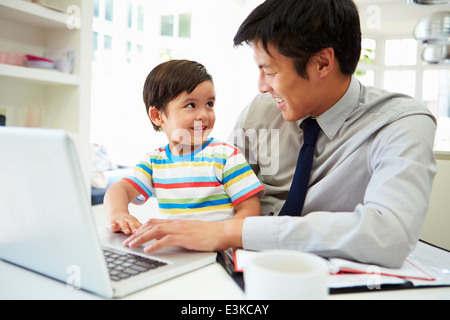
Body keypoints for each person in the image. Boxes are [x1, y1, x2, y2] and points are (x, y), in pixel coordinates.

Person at [123, 0, 437, 268]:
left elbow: (390, 235)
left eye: (270, 71)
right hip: (232, 265)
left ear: (322, 63)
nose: (262, 86)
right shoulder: (261, 110)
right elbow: (220, 186)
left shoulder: (401, 122)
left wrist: (229, 232)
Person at [104, 60, 264, 235]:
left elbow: (250, 210)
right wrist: (119, 214)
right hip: (177, 250)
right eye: (190, 105)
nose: (204, 114)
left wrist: (221, 235)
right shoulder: (153, 162)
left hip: (219, 251)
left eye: (209, 104)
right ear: (157, 116)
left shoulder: (226, 155)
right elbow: (119, 190)